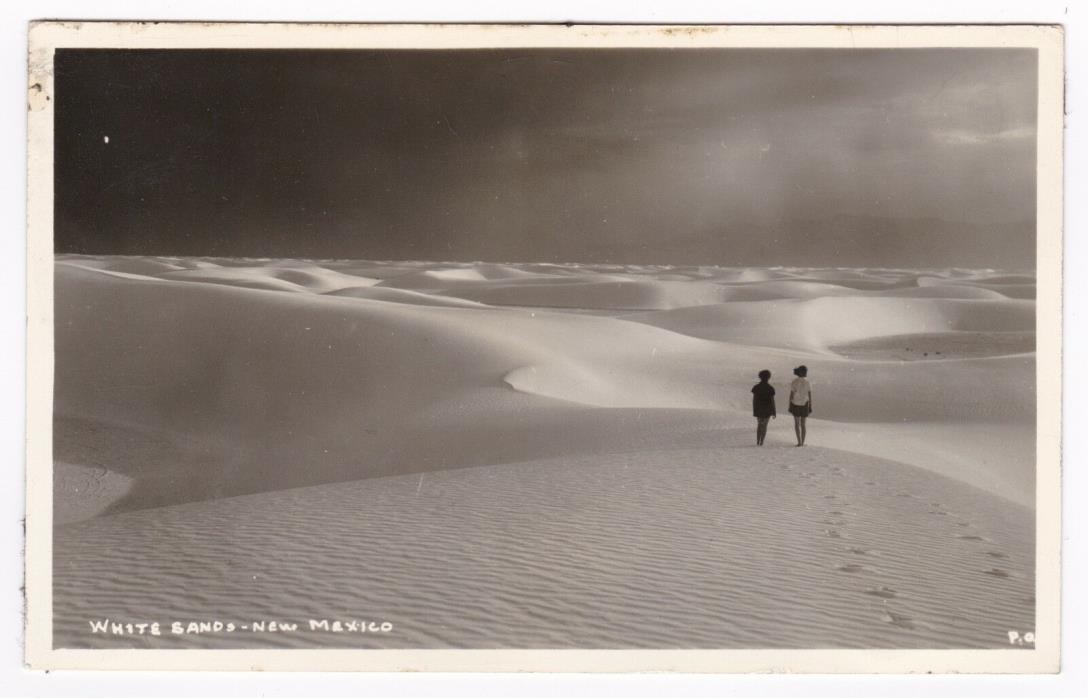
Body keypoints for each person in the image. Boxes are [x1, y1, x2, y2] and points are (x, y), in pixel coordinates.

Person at [788, 365, 813, 446]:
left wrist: (789, 405)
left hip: (795, 403)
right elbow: (809, 395)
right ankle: (803, 442)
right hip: (805, 404)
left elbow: (791, 395)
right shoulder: (808, 382)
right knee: (803, 424)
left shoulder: (794, 382)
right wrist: (810, 406)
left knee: (796, 423)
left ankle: (799, 442)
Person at [751, 369, 776, 446]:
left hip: (759, 408)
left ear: (760, 377)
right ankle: (762, 442)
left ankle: (758, 441)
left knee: (759, 425)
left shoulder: (756, 387)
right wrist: (774, 411)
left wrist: (754, 409)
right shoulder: (770, 388)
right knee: (765, 425)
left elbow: (754, 400)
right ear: (769, 377)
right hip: (767, 409)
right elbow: (772, 401)